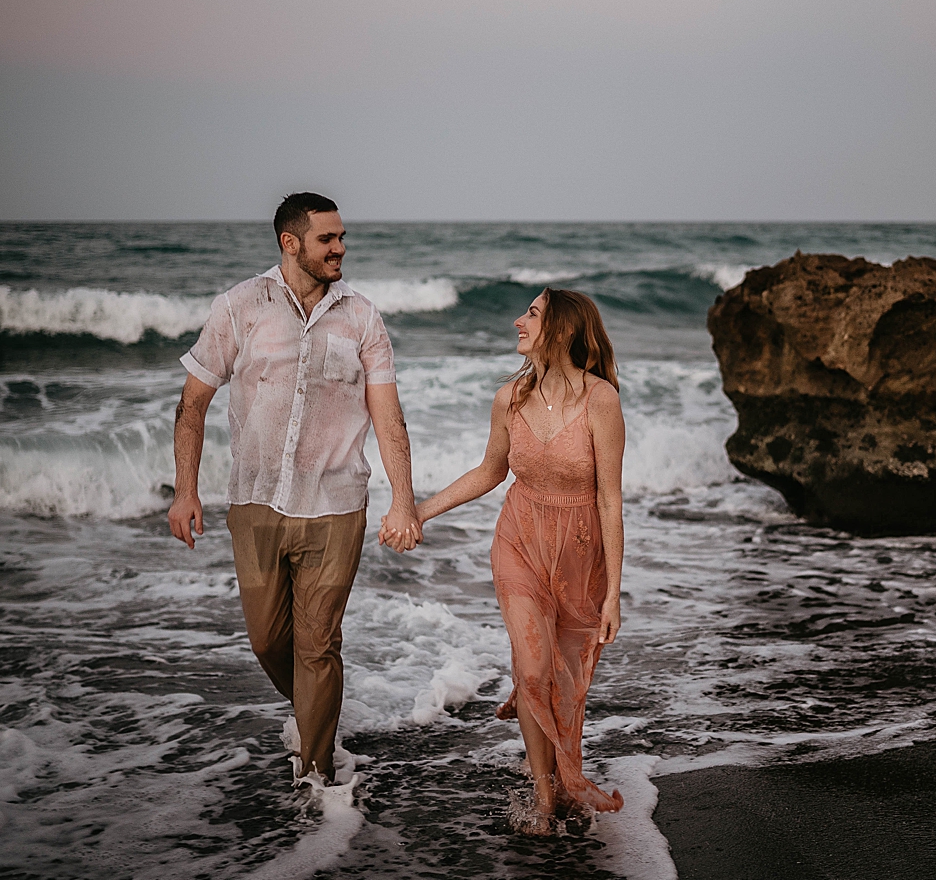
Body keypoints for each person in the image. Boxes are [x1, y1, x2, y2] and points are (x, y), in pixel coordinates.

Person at [166, 192, 422, 791]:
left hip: (336, 505)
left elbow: (389, 417)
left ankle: (317, 777)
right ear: (291, 243)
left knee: (318, 641)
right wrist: (186, 491)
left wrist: (403, 499)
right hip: (254, 500)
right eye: (327, 239)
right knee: (267, 640)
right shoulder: (239, 307)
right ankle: (319, 709)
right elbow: (192, 403)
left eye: (341, 237)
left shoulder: (362, 316)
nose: (340, 248)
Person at [410, 288, 626, 833]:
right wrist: (420, 512)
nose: (517, 321)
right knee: (532, 668)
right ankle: (544, 792)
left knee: (567, 678)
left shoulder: (601, 401)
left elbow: (609, 499)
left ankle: (562, 774)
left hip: (580, 559)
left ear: (562, 331)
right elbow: (489, 472)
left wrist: (614, 594)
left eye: (531, 314)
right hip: (520, 544)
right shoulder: (509, 398)